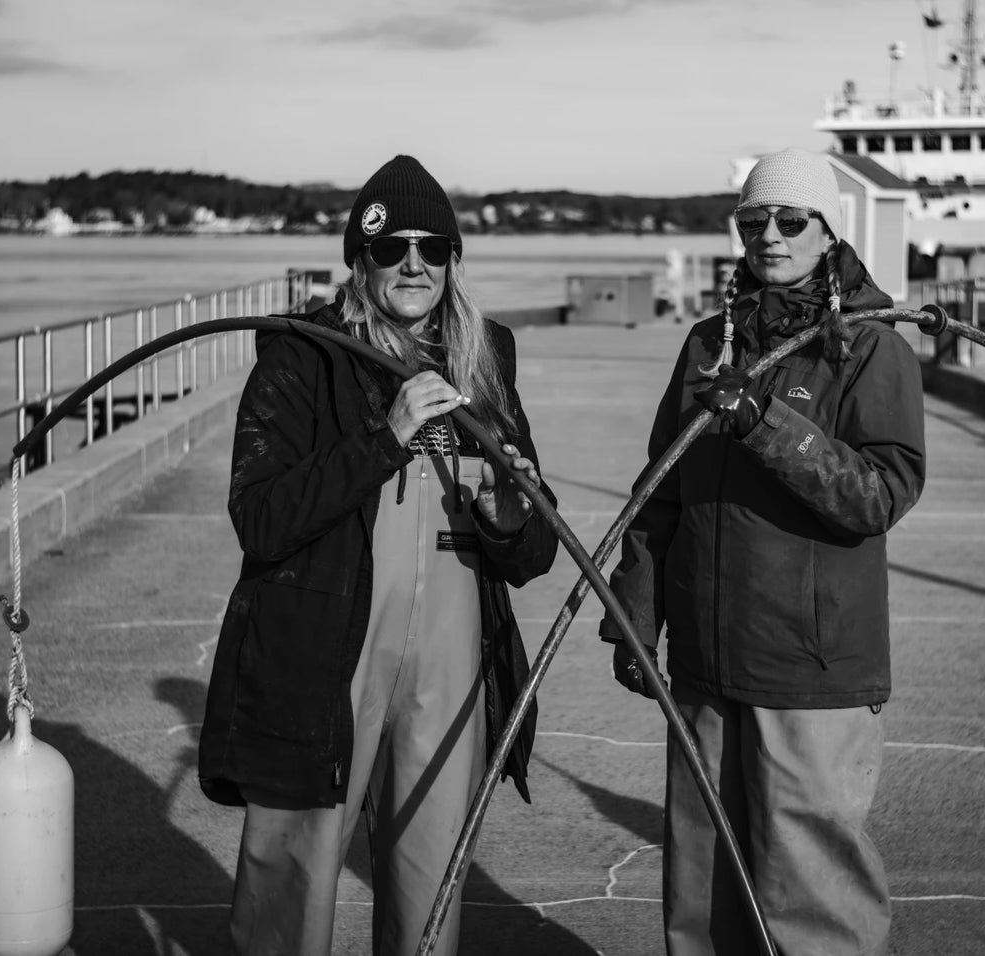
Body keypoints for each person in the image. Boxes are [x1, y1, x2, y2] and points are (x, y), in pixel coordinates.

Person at [199, 154, 559, 956]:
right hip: (326, 650)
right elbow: (260, 518)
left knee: (430, 879)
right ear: (359, 260)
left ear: (453, 260)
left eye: (433, 249)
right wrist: (386, 437)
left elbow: (533, 552)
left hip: (451, 660)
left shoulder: (487, 354)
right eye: (392, 248)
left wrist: (509, 507)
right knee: (293, 872)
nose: (414, 265)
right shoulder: (303, 353)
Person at [600, 148, 926, 956]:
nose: (769, 236)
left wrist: (765, 424)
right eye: (753, 222)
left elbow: (878, 496)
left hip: (807, 671)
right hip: (707, 668)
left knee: (811, 894)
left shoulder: (869, 348)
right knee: (704, 892)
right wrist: (635, 615)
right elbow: (659, 491)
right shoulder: (708, 343)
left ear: (826, 230)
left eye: (789, 221)